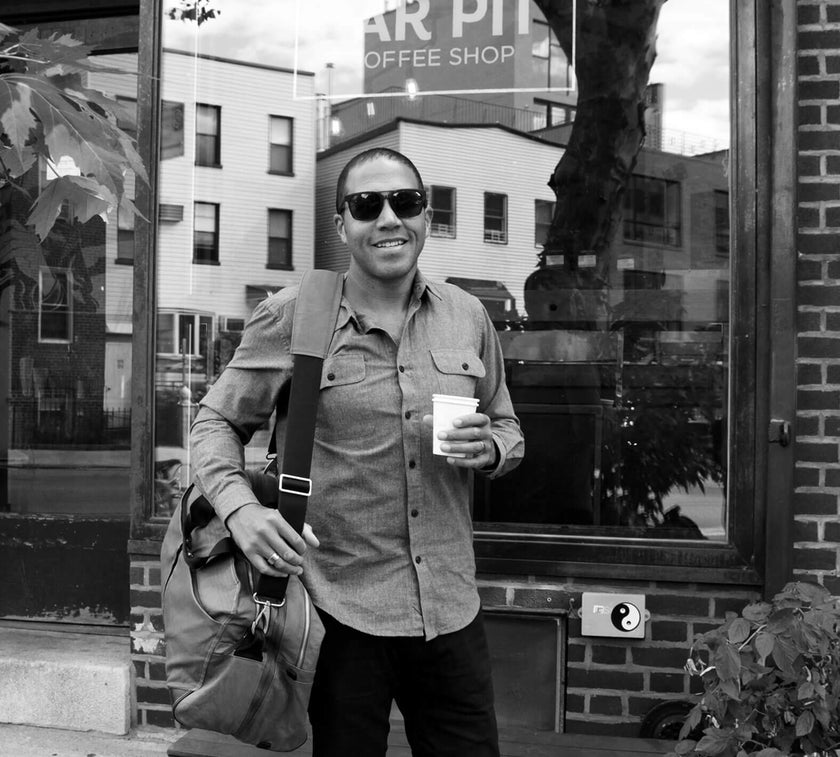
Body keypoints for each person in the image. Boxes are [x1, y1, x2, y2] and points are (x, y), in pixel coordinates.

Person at [190, 147, 524, 756]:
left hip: (449, 606)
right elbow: (214, 422)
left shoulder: (467, 315)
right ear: (342, 224)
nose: (389, 218)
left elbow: (507, 426)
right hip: (337, 612)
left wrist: (493, 447)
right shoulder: (293, 316)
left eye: (407, 202)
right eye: (368, 205)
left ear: (426, 217)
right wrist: (242, 513)